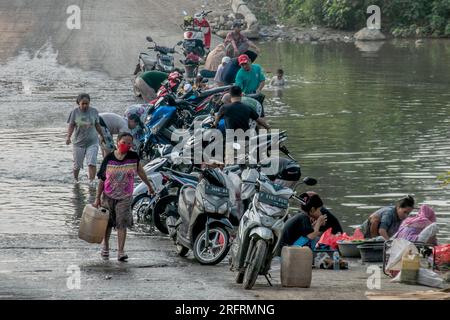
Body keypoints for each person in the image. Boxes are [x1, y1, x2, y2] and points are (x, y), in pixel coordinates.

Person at [93, 132, 155, 261]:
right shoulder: (109, 158)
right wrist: (97, 198)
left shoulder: (133, 157)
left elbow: (140, 172)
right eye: (124, 142)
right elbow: (102, 180)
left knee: (122, 223)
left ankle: (121, 251)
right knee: (107, 223)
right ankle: (105, 246)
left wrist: (149, 185)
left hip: (125, 197)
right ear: (117, 143)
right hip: (108, 195)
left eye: (129, 143)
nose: (126, 145)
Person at [66, 93, 106, 185]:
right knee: (77, 166)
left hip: (92, 142)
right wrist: (68, 137)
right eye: (83, 103)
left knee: (92, 163)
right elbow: (71, 126)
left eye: (87, 103)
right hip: (78, 143)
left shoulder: (94, 111)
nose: (85, 105)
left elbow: (97, 125)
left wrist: (102, 136)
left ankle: (91, 182)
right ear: (78, 103)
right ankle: (75, 180)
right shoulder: (74, 112)